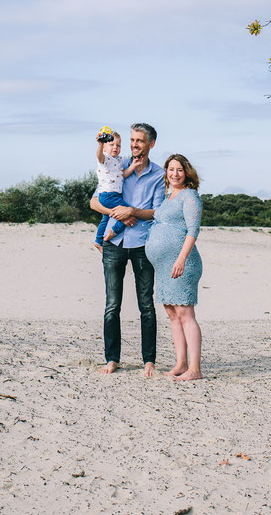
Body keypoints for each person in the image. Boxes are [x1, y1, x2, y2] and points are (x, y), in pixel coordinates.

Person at [89, 122, 165, 377]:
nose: (134, 145)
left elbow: (156, 212)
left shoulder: (159, 174)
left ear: (151, 144)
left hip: (144, 243)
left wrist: (132, 212)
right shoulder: (115, 165)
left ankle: (149, 361)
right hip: (114, 244)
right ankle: (112, 359)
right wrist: (117, 214)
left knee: (146, 304)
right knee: (112, 305)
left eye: (139, 141)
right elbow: (94, 202)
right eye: (132, 140)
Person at [146, 154, 204, 381]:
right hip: (163, 267)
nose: (175, 174)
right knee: (172, 314)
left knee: (185, 314)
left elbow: (193, 231)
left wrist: (180, 259)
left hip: (182, 263)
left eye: (179, 170)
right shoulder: (167, 196)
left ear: (186, 172)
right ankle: (181, 363)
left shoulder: (190, 196)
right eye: (171, 169)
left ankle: (195, 369)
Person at [92, 130, 140, 249]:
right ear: (104, 147)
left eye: (118, 145)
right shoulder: (106, 158)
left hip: (113, 195)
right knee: (129, 211)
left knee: (105, 217)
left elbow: (122, 174)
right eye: (111, 145)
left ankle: (98, 241)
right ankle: (114, 231)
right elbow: (99, 156)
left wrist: (133, 166)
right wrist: (99, 144)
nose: (115, 148)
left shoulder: (118, 160)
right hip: (108, 195)